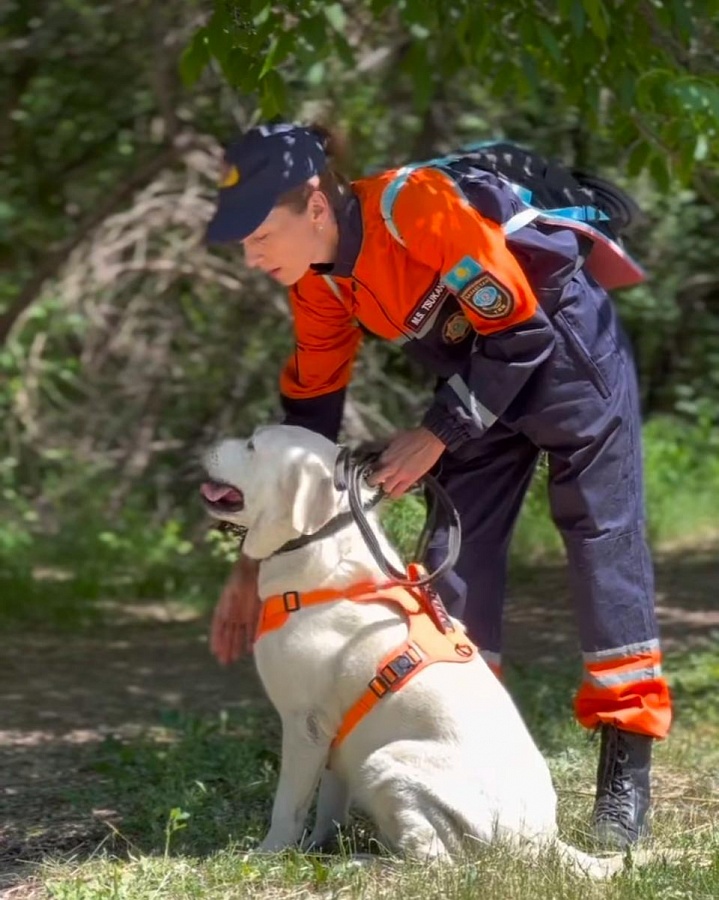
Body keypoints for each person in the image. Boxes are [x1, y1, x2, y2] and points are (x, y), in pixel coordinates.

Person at [204, 121, 672, 849]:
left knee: (599, 547)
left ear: (315, 208)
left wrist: (436, 434)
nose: (249, 250)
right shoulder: (318, 287)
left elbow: (522, 336)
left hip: (564, 353)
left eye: (261, 229)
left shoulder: (414, 207)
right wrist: (250, 563)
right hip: (476, 385)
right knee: (454, 570)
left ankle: (624, 775)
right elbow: (303, 447)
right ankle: (468, 758)